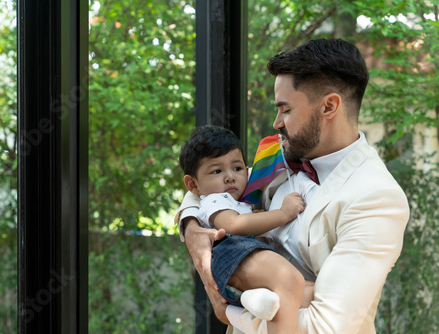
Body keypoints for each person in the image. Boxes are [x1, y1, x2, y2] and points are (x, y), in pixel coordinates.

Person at [175, 38, 410, 334]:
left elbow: (325, 326)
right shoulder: (282, 156)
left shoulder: (377, 198)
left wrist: (232, 313)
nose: (276, 123)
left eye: (285, 110)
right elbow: (212, 187)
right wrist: (192, 227)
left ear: (329, 106)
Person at [179, 125, 315, 333]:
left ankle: (251, 299)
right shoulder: (215, 200)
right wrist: (283, 214)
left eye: (237, 168)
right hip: (233, 253)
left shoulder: (236, 198)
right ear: (193, 185)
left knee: (310, 292)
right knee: (290, 280)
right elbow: (233, 225)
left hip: (243, 261)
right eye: (217, 171)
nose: (230, 177)